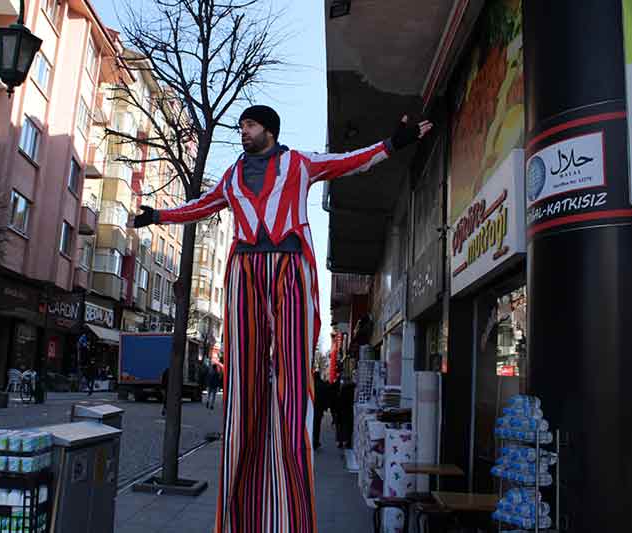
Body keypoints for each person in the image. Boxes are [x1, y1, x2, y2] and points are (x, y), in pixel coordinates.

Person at [132, 104, 432, 532]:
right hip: (245, 270)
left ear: (269, 130)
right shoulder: (232, 176)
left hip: (291, 267)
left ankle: (289, 502)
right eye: (240, 126)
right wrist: (158, 215)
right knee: (243, 379)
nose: (243, 132)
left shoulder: (299, 162)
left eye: (249, 125)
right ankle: (242, 505)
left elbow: (347, 162)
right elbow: (200, 207)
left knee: (293, 379)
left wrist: (393, 144)